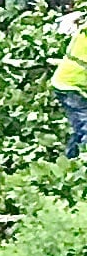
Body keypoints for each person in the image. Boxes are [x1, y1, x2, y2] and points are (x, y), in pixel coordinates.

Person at [52, 21, 87, 159]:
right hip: (72, 87)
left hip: (67, 83)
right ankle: (83, 166)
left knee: (80, 128)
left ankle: (70, 162)